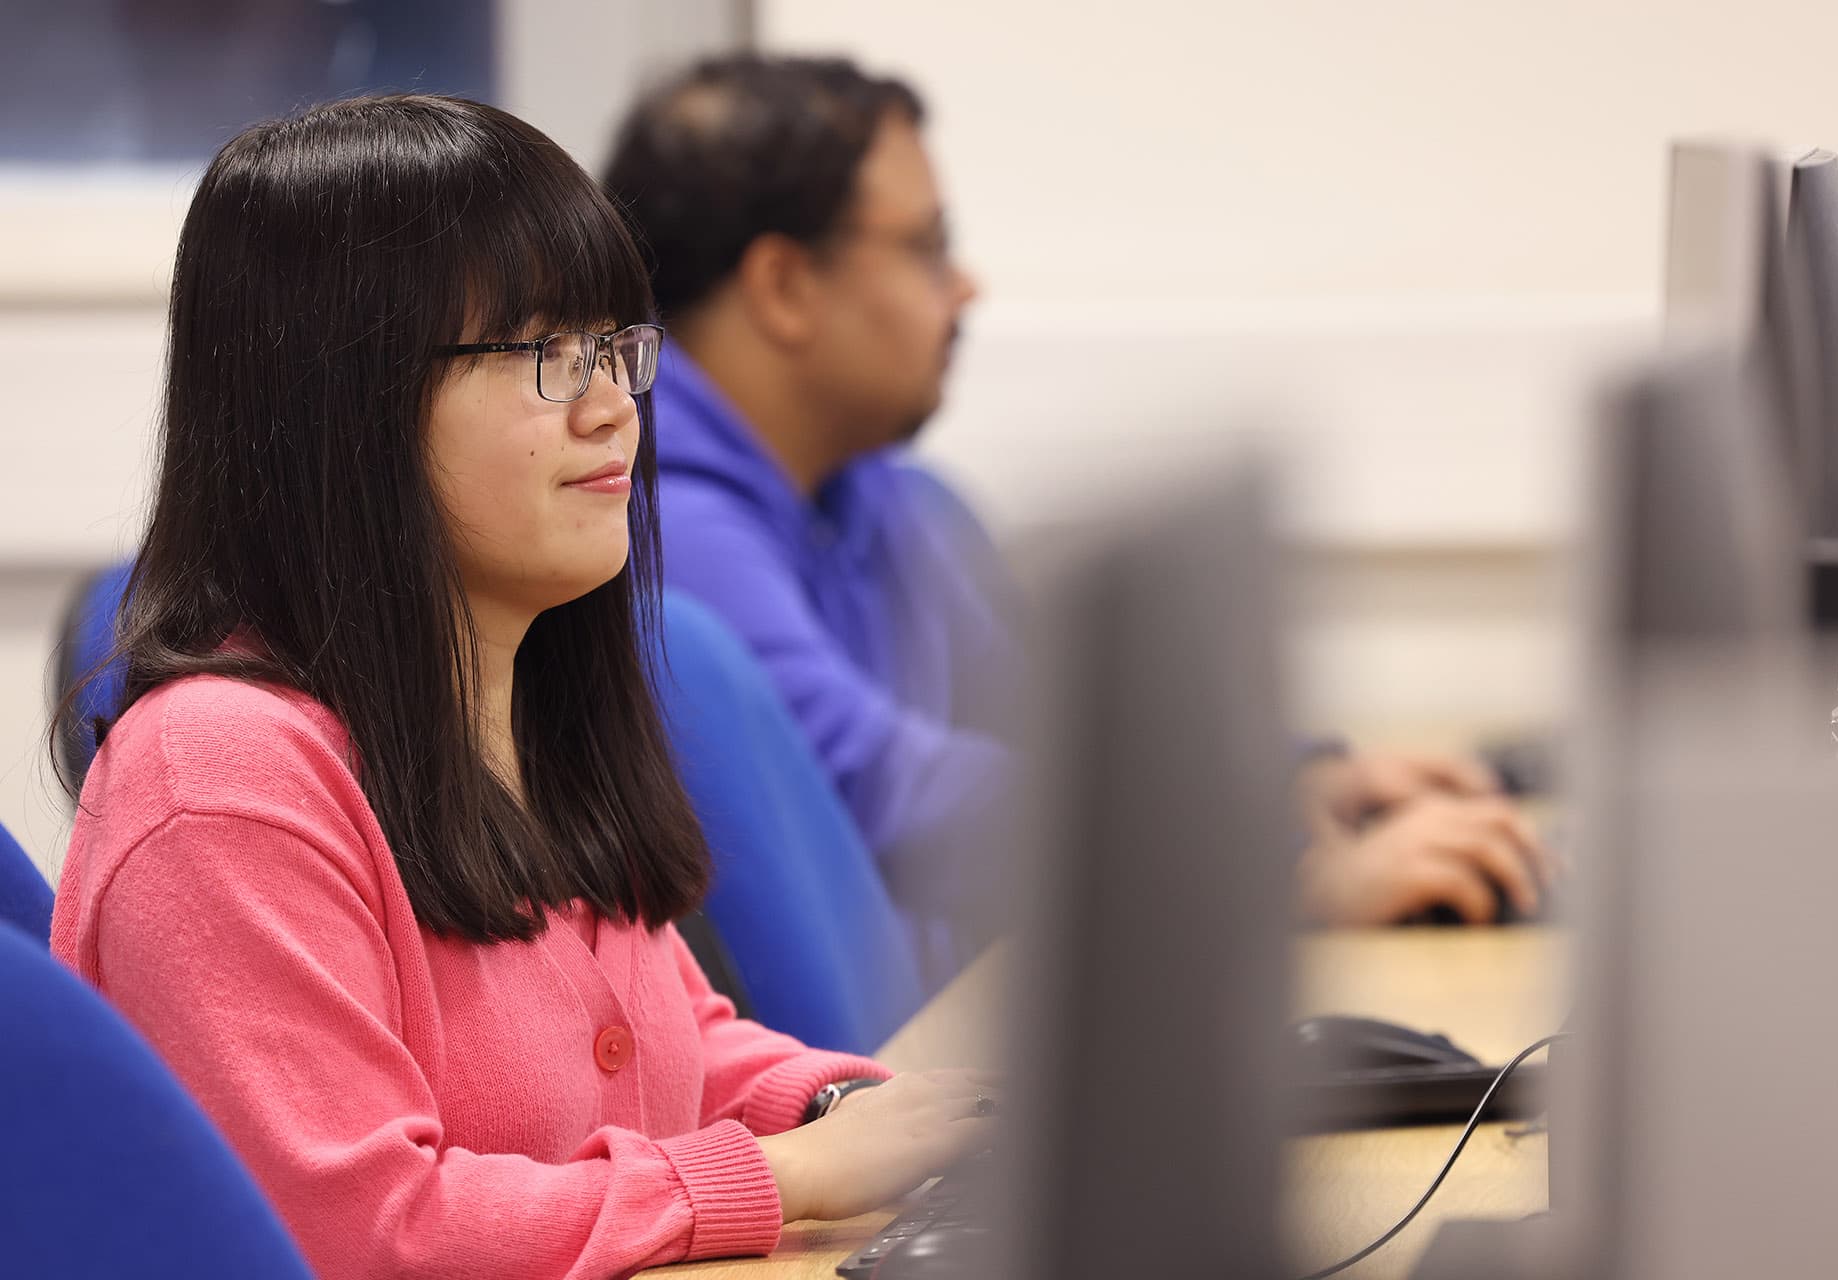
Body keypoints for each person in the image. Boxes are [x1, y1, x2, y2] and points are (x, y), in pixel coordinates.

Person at [50, 94, 993, 1279]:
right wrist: (784, 1175)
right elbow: (362, 1226)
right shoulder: (222, 780)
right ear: (341, 405)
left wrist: (877, 1109)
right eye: (546, 355)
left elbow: (671, 1049)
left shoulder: (519, 698)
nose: (612, 406)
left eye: (615, 348)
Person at [601, 55, 1554, 948]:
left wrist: (1299, 775)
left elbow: (1054, 719)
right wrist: (1269, 877)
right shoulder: (664, 519)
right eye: (927, 247)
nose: (965, 286)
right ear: (784, 286)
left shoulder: (865, 488)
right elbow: (887, 795)